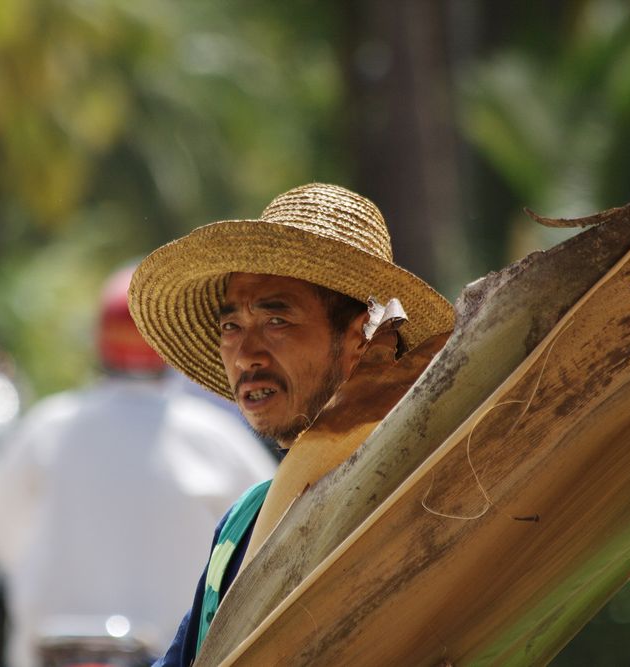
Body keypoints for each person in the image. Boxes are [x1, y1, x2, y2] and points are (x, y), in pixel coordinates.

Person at [126, 183, 456, 666]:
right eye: (231, 326)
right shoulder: (243, 522)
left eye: (276, 321)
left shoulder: (412, 506)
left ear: (362, 341)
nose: (245, 354)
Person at [0, 265, 277, 667]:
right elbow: (274, 533)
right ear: (167, 348)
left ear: (99, 344)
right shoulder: (212, 436)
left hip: (52, 651)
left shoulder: (47, 426)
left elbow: (1, 534)